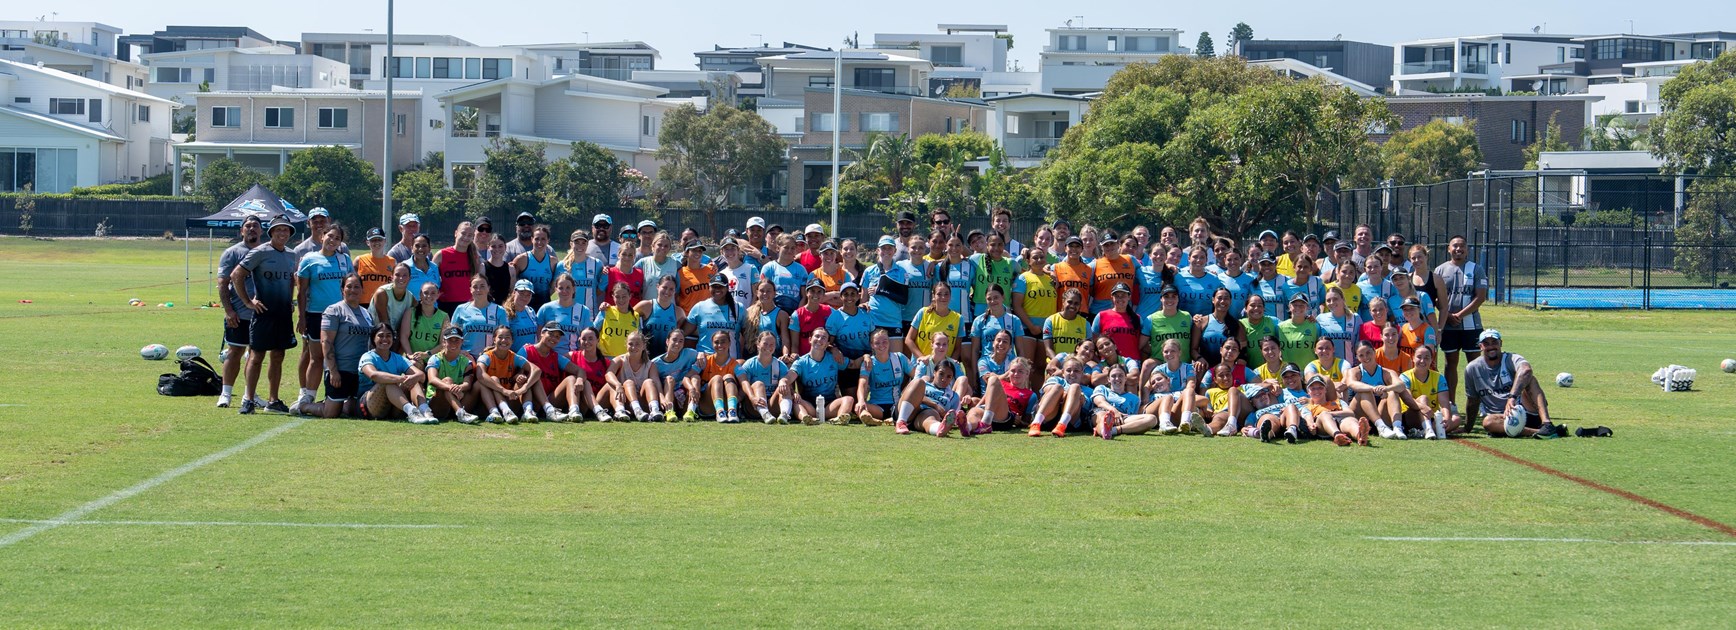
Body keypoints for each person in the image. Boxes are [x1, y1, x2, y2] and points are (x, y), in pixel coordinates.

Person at [232, 217, 301, 414]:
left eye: (286, 230)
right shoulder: (259, 252)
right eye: (278, 230)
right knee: (256, 356)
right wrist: (248, 302)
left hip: (283, 315)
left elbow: (290, 281)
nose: (282, 233)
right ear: (271, 232)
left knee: (278, 356)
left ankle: (273, 401)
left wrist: (291, 300)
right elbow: (237, 275)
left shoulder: (291, 254)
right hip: (263, 314)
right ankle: (249, 399)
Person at [292, 222, 353, 416]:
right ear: (322, 236)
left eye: (337, 238)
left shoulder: (344, 260)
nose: (333, 241)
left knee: (339, 357)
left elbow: (351, 289)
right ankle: (308, 396)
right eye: (330, 236)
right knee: (316, 357)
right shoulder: (309, 259)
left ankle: (336, 396)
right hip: (316, 315)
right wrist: (301, 317)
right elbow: (301, 292)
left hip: (340, 315)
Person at [1465, 330, 1564, 438]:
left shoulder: (1510, 358)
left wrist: (1511, 397)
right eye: (1486, 344)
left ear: (1500, 343)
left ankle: (1547, 424)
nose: (1491, 346)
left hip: (1525, 412)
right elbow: (1472, 400)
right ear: (1480, 346)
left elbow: (1526, 370)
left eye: (1494, 342)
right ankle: (1539, 432)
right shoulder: (1472, 368)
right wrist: (1467, 428)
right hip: (1501, 419)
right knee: (1488, 422)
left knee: (1530, 379)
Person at [1434, 235, 1488, 405]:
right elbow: (1435, 298)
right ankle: (1451, 404)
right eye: (1455, 246)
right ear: (1449, 249)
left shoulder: (1476, 269)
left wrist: (1460, 315)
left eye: (1462, 246)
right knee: (1450, 364)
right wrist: (1448, 316)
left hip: (1471, 325)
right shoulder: (1440, 270)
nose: (1458, 249)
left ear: (1467, 250)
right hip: (1448, 327)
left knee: (1475, 365)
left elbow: (1480, 297)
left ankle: (1479, 403)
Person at [215, 215, 262, 408]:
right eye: (248, 226)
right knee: (235, 352)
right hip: (239, 314)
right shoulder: (232, 253)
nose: (252, 229)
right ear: (241, 231)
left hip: (261, 314)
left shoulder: (267, 251)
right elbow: (222, 283)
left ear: (261, 231)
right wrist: (228, 310)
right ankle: (225, 393)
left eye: (255, 226)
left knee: (256, 355)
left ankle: (250, 395)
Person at [318, 274, 376, 419]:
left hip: (359, 372)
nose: (353, 290)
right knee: (331, 413)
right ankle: (303, 406)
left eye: (357, 287)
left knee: (353, 412)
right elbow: (326, 342)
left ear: (363, 290)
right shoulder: (334, 310)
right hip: (341, 370)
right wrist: (333, 371)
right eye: (349, 286)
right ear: (342, 289)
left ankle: (335, 402)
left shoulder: (366, 313)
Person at [357, 324, 437, 424]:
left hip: (392, 405)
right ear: (373, 338)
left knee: (414, 380)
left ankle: (424, 410)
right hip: (369, 405)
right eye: (381, 336)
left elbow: (421, 376)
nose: (385, 339)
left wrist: (412, 378)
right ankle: (412, 412)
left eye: (388, 336)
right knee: (388, 381)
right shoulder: (367, 356)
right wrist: (402, 379)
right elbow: (373, 375)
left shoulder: (398, 358)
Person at [1345, 340, 1417, 440]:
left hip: (1380, 413)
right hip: (1359, 414)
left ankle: (1397, 427)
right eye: (1361, 355)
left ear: (1374, 352)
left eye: (1368, 353)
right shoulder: (1354, 371)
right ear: (1357, 357)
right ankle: (1381, 427)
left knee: (1392, 392)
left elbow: (1400, 385)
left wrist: (1387, 388)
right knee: (1365, 392)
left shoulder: (1387, 372)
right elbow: (1351, 383)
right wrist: (1373, 388)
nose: (1366, 357)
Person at [476, 325, 550, 423]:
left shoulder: (514, 357)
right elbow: (480, 375)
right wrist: (503, 390)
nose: (504, 340)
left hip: (510, 400)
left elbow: (536, 370)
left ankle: (530, 411)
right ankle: (498, 412)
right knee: (492, 379)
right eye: (500, 337)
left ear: (512, 341)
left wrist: (525, 387)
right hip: (488, 403)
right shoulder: (486, 356)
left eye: (507, 338)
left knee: (527, 379)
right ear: (494, 339)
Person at [790, 328, 855, 425]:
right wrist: (792, 391)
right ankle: (806, 419)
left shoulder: (834, 358)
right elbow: (788, 378)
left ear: (828, 343)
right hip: (810, 406)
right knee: (795, 401)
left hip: (829, 405)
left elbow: (854, 364)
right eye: (817, 336)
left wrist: (866, 357)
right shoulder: (801, 362)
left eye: (824, 338)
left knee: (849, 399)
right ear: (810, 339)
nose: (820, 339)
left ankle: (839, 419)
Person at [424, 326, 482, 424]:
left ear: (462, 341)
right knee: (447, 380)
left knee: (478, 385)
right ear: (444, 342)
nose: (453, 343)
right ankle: (460, 412)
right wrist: (451, 388)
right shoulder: (435, 358)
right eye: (450, 340)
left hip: (458, 397)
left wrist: (459, 388)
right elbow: (432, 379)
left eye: (457, 340)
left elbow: (467, 384)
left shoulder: (466, 362)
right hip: (436, 402)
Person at [854, 329, 912, 427]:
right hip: (877, 406)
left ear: (889, 342)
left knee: (912, 405)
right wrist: (861, 401)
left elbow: (916, 376)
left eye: (885, 342)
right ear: (872, 345)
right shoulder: (868, 362)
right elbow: (862, 383)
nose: (881, 345)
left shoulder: (899, 358)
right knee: (858, 406)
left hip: (897, 405)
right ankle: (871, 418)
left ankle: (891, 418)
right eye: (877, 343)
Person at [1400, 346, 1460, 440]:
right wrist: (1423, 407)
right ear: (1413, 358)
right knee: (1423, 398)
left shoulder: (1438, 377)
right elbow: (1408, 399)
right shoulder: (1405, 377)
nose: (1422, 361)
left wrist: (1447, 418)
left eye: (1427, 358)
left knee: (1456, 419)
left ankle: (1423, 431)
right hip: (1410, 415)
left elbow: (1444, 403)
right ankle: (1428, 429)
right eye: (1419, 357)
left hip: (1431, 415)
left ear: (1432, 359)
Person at [893, 357, 962, 437]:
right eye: (941, 374)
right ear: (934, 372)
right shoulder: (924, 383)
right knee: (918, 381)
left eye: (949, 376)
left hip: (923, 417)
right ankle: (901, 422)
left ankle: (938, 429)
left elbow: (953, 417)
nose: (944, 379)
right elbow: (905, 394)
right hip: (907, 411)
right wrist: (935, 405)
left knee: (932, 415)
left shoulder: (954, 396)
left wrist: (945, 415)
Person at [736, 331, 794, 423]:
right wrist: (747, 399)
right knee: (759, 384)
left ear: (775, 346)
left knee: (784, 385)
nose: (768, 347)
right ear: (758, 344)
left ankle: (784, 415)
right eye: (765, 344)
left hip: (772, 405)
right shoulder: (750, 364)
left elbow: (789, 388)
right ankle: (765, 413)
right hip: (753, 406)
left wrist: (792, 392)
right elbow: (744, 387)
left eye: (772, 344)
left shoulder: (780, 365)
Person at [967, 356, 1035, 434]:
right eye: (1013, 371)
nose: (1016, 374)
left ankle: (986, 422)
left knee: (993, 379)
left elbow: (1026, 422)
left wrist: (1019, 422)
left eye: (1020, 371)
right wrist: (974, 409)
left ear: (1027, 373)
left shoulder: (1031, 395)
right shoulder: (1002, 384)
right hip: (988, 412)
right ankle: (968, 427)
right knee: (974, 413)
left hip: (1005, 418)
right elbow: (984, 400)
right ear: (1008, 372)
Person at [607, 330, 662, 422]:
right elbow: (609, 373)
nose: (633, 347)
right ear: (626, 345)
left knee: (649, 382)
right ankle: (636, 410)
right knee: (628, 382)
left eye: (637, 344)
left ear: (644, 346)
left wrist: (662, 397)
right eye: (630, 344)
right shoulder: (620, 360)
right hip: (624, 401)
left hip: (642, 403)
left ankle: (655, 410)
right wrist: (618, 385)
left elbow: (656, 382)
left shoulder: (650, 364)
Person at [1027, 357, 1090, 437]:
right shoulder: (1056, 380)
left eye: (1076, 371)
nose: (1072, 373)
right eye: (1068, 370)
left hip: (1071, 422)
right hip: (1049, 416)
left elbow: (1087, 408)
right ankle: (1036, 423)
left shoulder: (1088, 390)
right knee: (1057, 387)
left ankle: (1062, 424)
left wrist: (1079, 398)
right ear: (1063, 372)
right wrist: (1064, 394)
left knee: (1075, 387)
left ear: (1082, 373)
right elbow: (1047, 390)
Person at [860, 236, 909, 337]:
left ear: (895, 250)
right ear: (878, 250)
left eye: (889, 248)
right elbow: (863, 298)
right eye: (883, 248)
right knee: (875, 353)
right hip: (874, 320)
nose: (886, 251)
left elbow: (903, 299)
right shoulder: (869, 271)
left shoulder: (901, 272)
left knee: (896, 353)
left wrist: (880, 290)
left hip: (894, 321)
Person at [652, 328, 702, 422]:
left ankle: (691, 410)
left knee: (696, 377)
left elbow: (706, 358)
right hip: (669, 397)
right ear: (667, 341)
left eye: (681, 341)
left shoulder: (690, 353)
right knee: (669, 379)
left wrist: (701, 354)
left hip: (686, 394)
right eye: (674, 340)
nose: (677, 344)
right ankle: (669, 411)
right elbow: (655, 384)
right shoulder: (655, 363)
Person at [538, 274, 594, 356]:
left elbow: (586, 339)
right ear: (556, 289)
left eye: (568, 287)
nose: (564, 291)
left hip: (573, 358)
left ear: (574, 289)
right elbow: (539, 335)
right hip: (548, 357)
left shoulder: (584, 310)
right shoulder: (546, 308)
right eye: (561, 288)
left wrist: (578, 357)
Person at [451, 275, 507, 357]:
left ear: (488, 288)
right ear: (470, 289)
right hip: (466, 359)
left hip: (491, 357)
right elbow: (453, 335)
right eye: (475, 287)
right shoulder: (461, 309)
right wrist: (459, 351)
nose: (478, 290)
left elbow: (505, 337)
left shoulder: (499, 311)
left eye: (482, 286)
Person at [1304, 373, 1367, 446]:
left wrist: (1331, 413)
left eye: (1320, 387)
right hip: (1323, 426)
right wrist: (1311, 425)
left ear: (1325, 390)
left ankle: (1360, 436)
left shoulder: (1338, 402)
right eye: (1313, 388)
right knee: (1324, 415)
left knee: (1350, 420)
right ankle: (1337, 435)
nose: (1317, 391)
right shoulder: (1308, 407)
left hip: (1341, 422)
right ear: (1308, 392)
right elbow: (1308, 419)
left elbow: (1350, 413)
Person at [565, 328, 614, 422]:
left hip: (598, 402)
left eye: (591, 338)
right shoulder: (571, 356)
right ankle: (576, 411)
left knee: (611, 385)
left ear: (598, 340)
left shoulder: (606, 363)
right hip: (579, 403)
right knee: (584, 382)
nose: (587, 342)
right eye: (584, 339)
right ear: (579, 340)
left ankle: (619, 411)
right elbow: (551, 359)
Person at [1088, 282, 1143, 364]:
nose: (1120, 299)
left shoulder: (1137, 318)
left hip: (1133, 363)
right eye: (1117, 296)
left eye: (1123, 295)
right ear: (1112, 297)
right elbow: (1093, 342)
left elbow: (1142, 344)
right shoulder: (1101, 315)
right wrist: (1099, 363)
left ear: (1129, 297)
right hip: (1109, 363)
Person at [695, 329, 743, 422]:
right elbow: (688, 376)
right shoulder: (705, 360)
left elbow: (745, 382)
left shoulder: (734, 364)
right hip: (707, 405)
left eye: (723, 342)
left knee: (729, 377)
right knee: (717, 378)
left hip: (727, 403)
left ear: (729, 343)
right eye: (716, 342)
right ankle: (719, 412)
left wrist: (739, 398)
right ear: (712, 344)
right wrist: (693, 389)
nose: (720, 345)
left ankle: (732, 411)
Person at [433, 222, 479, 314]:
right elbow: (430, 278)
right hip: (445, 305)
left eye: (470, 235)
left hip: (468, 306)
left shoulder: (474, 257)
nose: (466, 237)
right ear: (456, 233)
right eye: (463, 233)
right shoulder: (442, 254)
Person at [906, 283, 961, 359]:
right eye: (939, 294)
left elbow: (957, 348)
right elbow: (908, 339)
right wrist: (922, 358)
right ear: (933, 296)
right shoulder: (923, 312)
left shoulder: (958, 318)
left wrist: (950, 364)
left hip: (942, 367)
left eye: (946, 294)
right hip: (921, 365)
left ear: (950, 296)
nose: (943, 297)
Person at [761, 234, 811, 312]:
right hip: (773, 311)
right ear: (778, 248)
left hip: (794, 312)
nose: (789, 251)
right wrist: (775, 313)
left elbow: (804, 297)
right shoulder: (768, 268)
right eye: (786, 247)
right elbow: (763, 293)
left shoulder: (801, 269)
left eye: (792, 248)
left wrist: (796, 314)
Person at [1089, 233, 1136, 314]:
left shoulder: (1130, 260)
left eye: (1112, 244)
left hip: (1124, 311)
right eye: (1106, 245)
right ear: (1101, 247)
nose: (1109, 247)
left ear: (1118, 244)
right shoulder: (1095, 265)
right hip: (1100, 312)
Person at [636, 276, 683, 358]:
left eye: (671, 289)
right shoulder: (645, 306)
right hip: (645, 359)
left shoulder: (679, 312)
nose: (667, 291)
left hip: (666, 361)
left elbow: (682, 334)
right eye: (664, 287)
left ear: (675, 291)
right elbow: (626, 316)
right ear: (657, 287)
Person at [895, 235, 933, 334]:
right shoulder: (900, 266)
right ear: (908, 249)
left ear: (925, 249)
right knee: (905, 349)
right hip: (905, 317)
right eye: (913, 247)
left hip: (925, 317)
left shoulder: (931, 266)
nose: (917, 250)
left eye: (920, 247)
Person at [593, 281, 641, 359]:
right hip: (604, 358)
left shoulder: (636, 316)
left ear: (630, 296)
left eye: (624, 296)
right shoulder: (606, 311)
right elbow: (593, 330)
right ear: (613, 297)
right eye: (617, 297)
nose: (621, 300)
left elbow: (639, 339)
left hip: (625, 360)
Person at [788, 280, 834, 359]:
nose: (815, 294)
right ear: (806, 293)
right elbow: (795, 344)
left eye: (819, 291)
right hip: (804, 359)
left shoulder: (829, 311)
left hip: (825, 359)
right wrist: (795, 358)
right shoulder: (797, 315)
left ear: (823, 294)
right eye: (812, 291)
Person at [1041, 288, 1088, 363]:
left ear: (1080, 305)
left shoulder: (1085, 324)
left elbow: (1087, 350)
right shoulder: (1050, 320)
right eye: (1069, 302)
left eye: (1076, 303)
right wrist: (1059, 363)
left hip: (1076, 367)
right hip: (1055, 366)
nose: (1072, 305)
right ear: (1063, 302)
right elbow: (1048, 349)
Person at [1277, 294, 1320, 371]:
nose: (1298, 308)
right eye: (1295, 305)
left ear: (1307, 307)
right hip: (1288, 373)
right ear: (1290, 307)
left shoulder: (1315, 326)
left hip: (1309, 371)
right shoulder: (1280, 327)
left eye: (1302, 305)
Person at [372, 263, 417, 338]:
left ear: (410, 278)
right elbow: (384, 324)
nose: (401, 278)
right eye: (397, 275)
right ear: (392, 277)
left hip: (394, 336)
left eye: (404, 275)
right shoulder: (382, 293)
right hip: (377, 336)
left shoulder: (411, 298)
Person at [354, 227, 396, 304]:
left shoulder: (392, 262)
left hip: (384, 303)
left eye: (379, 239)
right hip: (363, 304)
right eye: (373, 240)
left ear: (385, 241)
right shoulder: (359, 260)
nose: (376, 242)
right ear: (367, 242)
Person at [717, 237, 760, 313]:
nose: (730, 252)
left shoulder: (750, 268)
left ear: (738, 250)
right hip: (728, 317)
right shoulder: (722, 274)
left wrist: (749, 313)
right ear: (721, 252)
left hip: (747, 315)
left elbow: (756, 294)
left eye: (733, 248)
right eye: (726, 249)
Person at [1304, 337, 1352, 403]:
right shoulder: (1311, 366)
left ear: (1333, 349)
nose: (1324, 351)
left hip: (1341, 399)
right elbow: (1311, 383)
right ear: (1315, 350)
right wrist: (1333, 386)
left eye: (1327, 348)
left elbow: (1346, 381)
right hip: (1320, 400)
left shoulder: (1343, 363)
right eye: (1320, 348)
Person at [602, 232, 643, 308]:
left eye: (630, 255)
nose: (627, 258)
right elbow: (599, 293)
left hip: (633, 316)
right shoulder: (609, 272)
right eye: (624, 254)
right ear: (618, 255)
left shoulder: (640, 274)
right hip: (613, 317)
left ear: (634, 257)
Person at [675, 240, 717, 313]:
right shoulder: (680, 273)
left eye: (700, 251)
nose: (697, 253)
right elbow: (676, 297)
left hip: (708, 316)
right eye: (694, 250)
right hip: (688, 317)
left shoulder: (711, 269)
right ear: (687, 253)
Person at [636, 232, 678, 302]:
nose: (662, 248)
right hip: (648, 309)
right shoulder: (643, 263)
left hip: (668, 308)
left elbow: (678, 289)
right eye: (659, 245)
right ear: (653, 246)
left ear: (670, 248)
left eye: (666, 246)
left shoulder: (675, 264)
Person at [1397, 297, 1438, 365]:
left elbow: (1428, 355)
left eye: (1412, 309)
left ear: (1419, 309)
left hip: (1421, 369)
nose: (1408, 312)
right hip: (1405, 370)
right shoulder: (1404, 327)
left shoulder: (1427, 330)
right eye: (1405, 309)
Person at [502, 280, 541, 350]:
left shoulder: (531, 311)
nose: (525, 297)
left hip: (530, 357)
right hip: (513, 357)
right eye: (521, 293)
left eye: (528, 294)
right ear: (514, 292)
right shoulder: (504, 313)